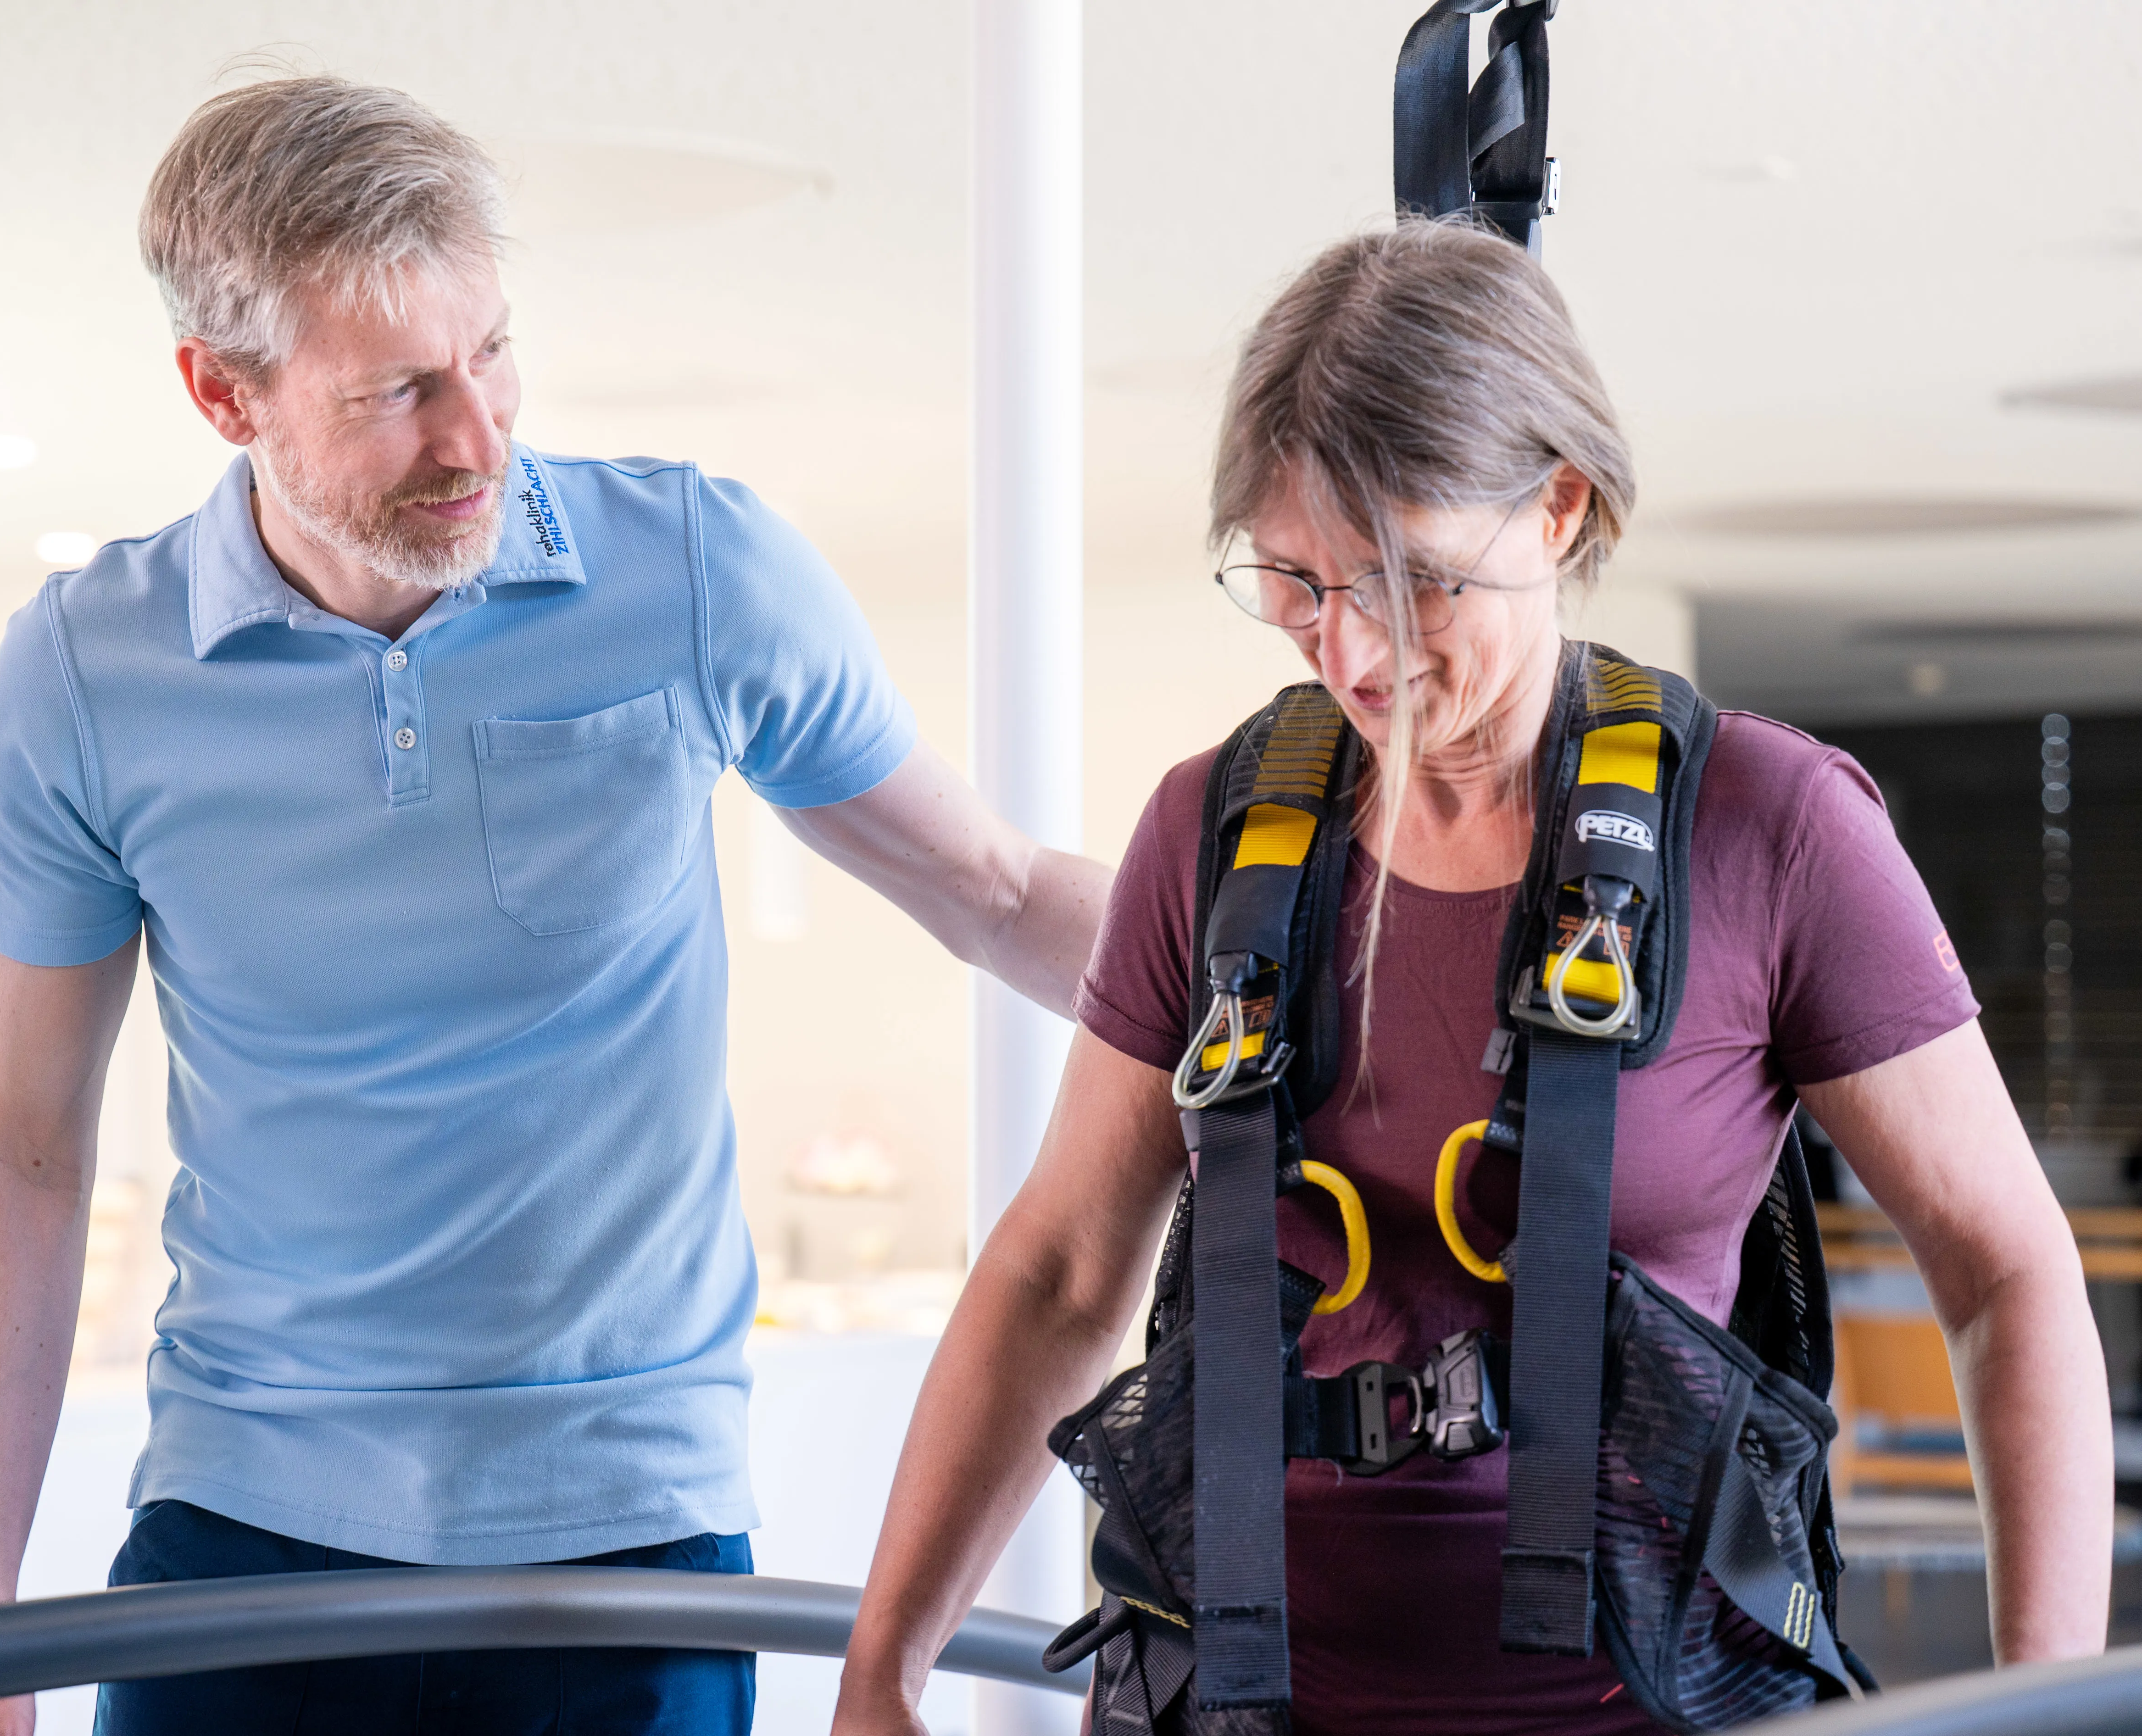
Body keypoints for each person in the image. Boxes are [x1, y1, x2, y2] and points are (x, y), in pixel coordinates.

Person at [0, 76, 1110, 1736]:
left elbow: (996, 892)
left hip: (627, 1535)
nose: (474, 437)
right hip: (244, 1531)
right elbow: (26, 1147)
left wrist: (1327, 974)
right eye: (398, 390)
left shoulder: (694, 571)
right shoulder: (85, 675)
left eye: (490, 355)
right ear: (220, 392)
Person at [833, 220, 2112, 1735]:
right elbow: (1055, 1272)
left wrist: (2046, 1707)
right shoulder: (1215, 831)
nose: (1353, 652)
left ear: (1558, 506)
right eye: (1296, 582)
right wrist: (881, 1672)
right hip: (1245, 1699)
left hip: (1648, 1699)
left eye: (1412, 582)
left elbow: (2003, 1273)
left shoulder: (1774, 828)